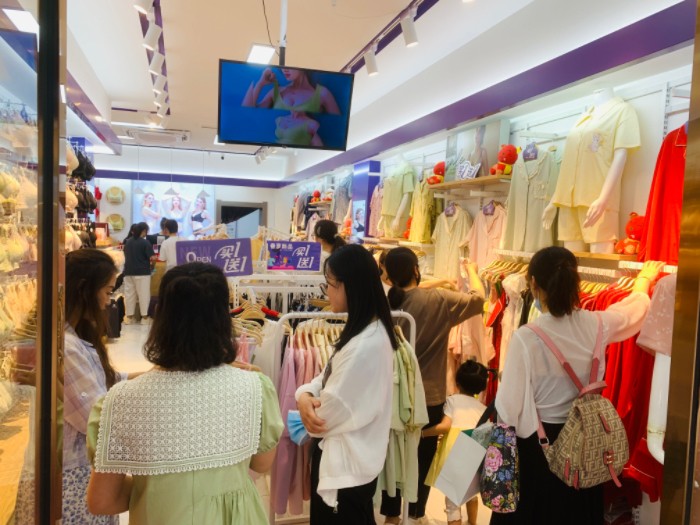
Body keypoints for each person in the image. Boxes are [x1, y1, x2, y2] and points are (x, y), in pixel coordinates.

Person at [86, 263, 283, 524]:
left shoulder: (120, 401)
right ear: (223, 320)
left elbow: (102, 500)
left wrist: (154, 487)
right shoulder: (255, 388)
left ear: (161, 317)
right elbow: (261, 464)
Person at [492, 247, 664, 524]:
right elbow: (631, 312)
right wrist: (643, 280)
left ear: (534, 283)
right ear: (576, 283)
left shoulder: (528, 337)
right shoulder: (596, 325)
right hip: (586, 441)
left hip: (540, 447)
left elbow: (509, 409)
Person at [381, 247, 486, 524]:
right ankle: (415, 513)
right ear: (416, 270)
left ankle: (391, 514)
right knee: (422, 458)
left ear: (388, 277)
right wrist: (471, 270)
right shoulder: (439, 300)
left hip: (392, 393)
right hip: (430, 395)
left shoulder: (385, 302)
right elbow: (478, 299)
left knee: (393, 455)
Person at [296, 244, 398, 524]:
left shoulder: (365, 345)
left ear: (349, 286)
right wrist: (304, 394)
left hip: (346, 470)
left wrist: (306, 403)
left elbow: (323, 418)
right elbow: (326, 376)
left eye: (330, 284)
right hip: (349, 465)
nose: (326, 292)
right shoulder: (365, 331)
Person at [63, 249, 135, 524]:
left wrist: (159, 376)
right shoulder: (68, 347)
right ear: (85, 290)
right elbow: (94, 417)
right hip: (73, 475)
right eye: (106, 291)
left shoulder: (74, 337)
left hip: (82, 470)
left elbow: (111, 379)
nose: (108, 301)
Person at [422, 361, 488, 525]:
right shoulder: (483, 408)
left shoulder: (452, 401)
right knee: (471, 493)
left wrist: (423, 433)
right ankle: (472, 522)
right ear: (481, 388)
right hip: (478, 452)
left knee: (453, 503)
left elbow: (445, 426)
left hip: (457, 453)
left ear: (457, 383)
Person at [243, 67, 341, 115]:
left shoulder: (322, 93)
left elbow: (338, 128)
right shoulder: (276, 91)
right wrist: (260, 84)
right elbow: (246, 113)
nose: (284, 69)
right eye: (282, 67)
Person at [123, 222, 155, 324]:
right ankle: (144, 318)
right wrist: (152, 266)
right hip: (142, 272)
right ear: (143, 231)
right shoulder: (145, 243)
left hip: (128, 272)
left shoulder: (128, 242)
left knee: (129, 295)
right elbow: (152, 258)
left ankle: (129, 317)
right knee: (144, 295)